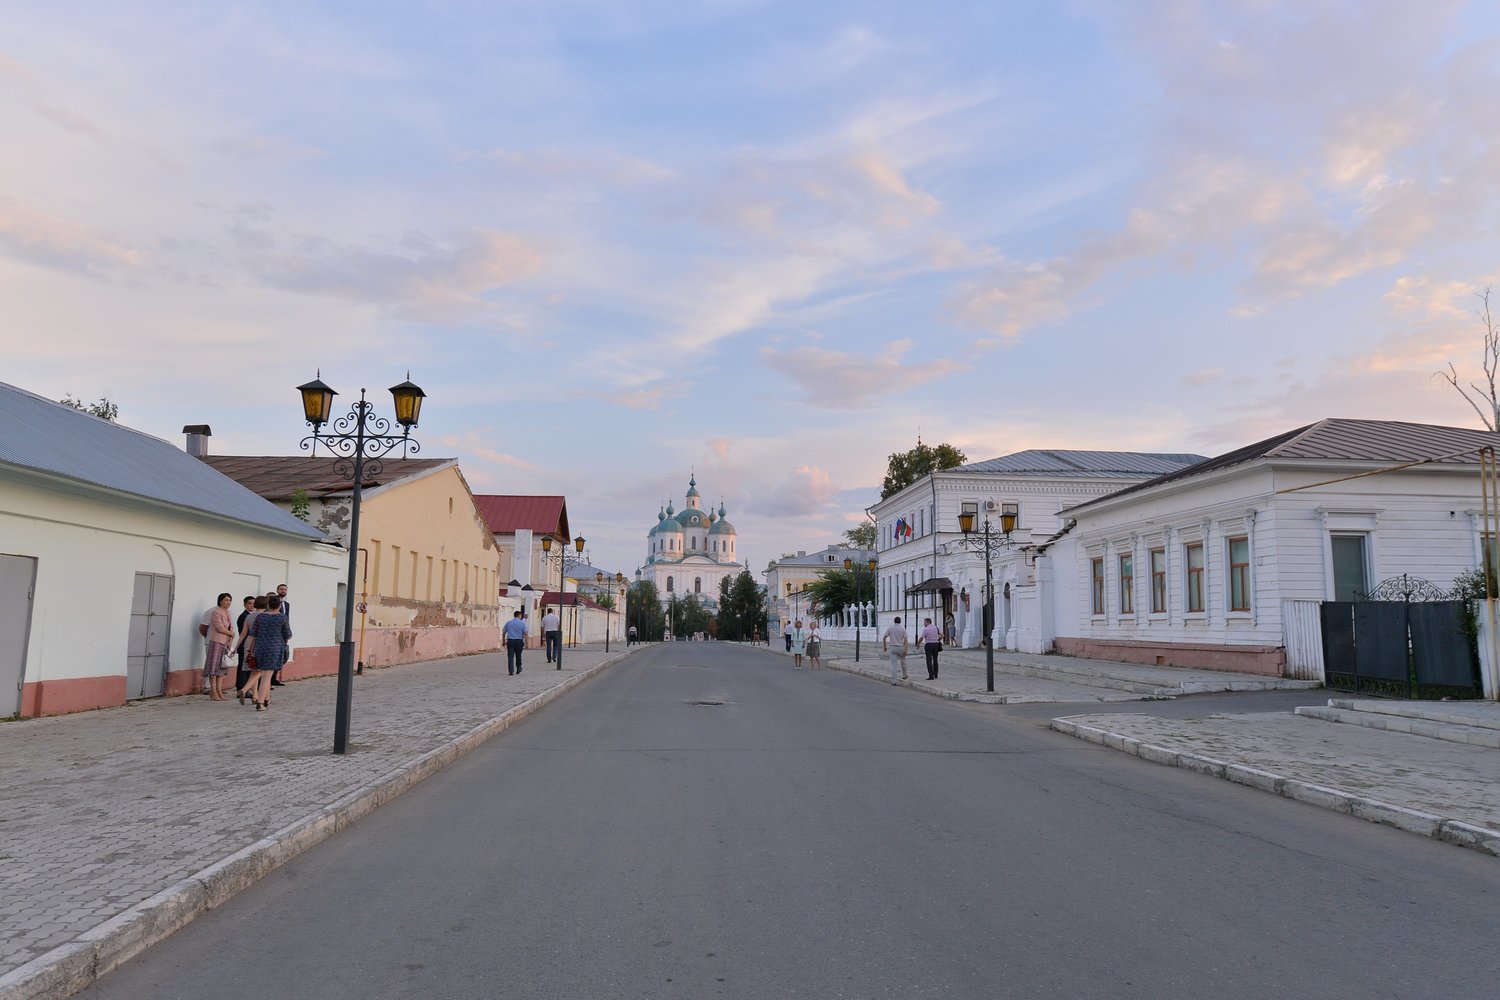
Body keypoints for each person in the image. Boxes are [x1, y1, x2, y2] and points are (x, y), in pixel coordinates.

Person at [245, 595, 292, 711]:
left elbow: (252, 634)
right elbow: (288, 634)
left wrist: (249, 650)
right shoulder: (282, 618)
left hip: (260, 648)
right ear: (279, 606)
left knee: (264, 674)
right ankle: (260, 703)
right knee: (266, 676)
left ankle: (265, 700)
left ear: (268, 605)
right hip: (275, 649)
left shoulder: (260, 617)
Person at [203, 593, 235, 701]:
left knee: (222, 667)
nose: (228, 602)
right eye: (226, 600)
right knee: (214, 667)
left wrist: (230, 638)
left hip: (226, 643)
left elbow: (231, 626)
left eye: (230, 600)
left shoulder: (228, 612)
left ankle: (219, 690)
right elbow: (219, 627)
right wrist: (230, 634)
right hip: (217, 641)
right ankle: (213, 691)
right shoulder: (216, 612)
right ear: (220, 601)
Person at [237, 595, 268, 704]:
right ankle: (244, 689)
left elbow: (242, 634)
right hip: (260, 644)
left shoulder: (249, 616)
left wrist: (235, 647)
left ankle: (255, 696)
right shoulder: (265, 616)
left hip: (248, 644)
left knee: (254, 670)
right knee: (262, 671)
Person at [233, 596, 255, 698]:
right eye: (249, 603)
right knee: (243, 669)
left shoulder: (252, 615)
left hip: (250, 645)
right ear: (245, 604)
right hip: (245, 645)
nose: (252, 605)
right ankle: (241, 689)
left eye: (253, 603)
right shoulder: (244, 616)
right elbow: (244, 633)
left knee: (248, 669)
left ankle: (246, 688)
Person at [271, 584, 291, 686]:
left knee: (281, 656)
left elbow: (287, 619)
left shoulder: (287, 604)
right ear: (277, 590)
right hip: (274, 634)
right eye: (281, 589)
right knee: (273, 655)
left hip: (283, 633)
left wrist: (286, 633)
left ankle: (274, 677)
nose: (283, 591)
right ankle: (269, 678)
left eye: (285, 589)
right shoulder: (273, 602)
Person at [883, 616, 909, 684]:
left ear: (894, 621)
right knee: (903, 661)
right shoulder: (903, 629)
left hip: (892, 647)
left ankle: (894, 681)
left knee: (893, 665)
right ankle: (905, 675)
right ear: (900, 621)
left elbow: (884, 637)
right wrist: (906, 650)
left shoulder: (890, 628)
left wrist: (885, 646)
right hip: (900, 647)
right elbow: (906, 640)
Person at [503, 610, 528, 674]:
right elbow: (525, 633)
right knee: (518, 655)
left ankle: (511, 670)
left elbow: (504, 632)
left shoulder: (509, 622)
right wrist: (526, 643)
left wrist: (503, 641)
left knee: (510, 656)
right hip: (519, 641)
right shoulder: (522, 623)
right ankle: (518, 667)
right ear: (519, 615)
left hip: (510, 641)